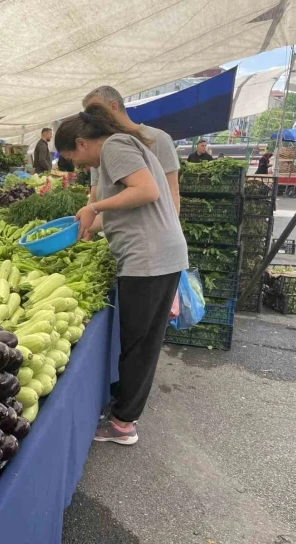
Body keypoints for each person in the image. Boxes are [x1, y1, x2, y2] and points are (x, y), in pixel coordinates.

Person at [55, 106, 188, 446]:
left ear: (82, 143)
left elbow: (146, 191)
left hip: (149, 259)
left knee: (140, 346)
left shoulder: (114, 147)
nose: (80, 167)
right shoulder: (123, 146)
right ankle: (122, 410)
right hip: (155, 257)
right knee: (138, 342)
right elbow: (126, 207)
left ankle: (123, 424)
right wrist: (83, 224)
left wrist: (95, 207)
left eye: (75, 159)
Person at [82, 86, 182, 216]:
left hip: (150, 230)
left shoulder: (157, 139)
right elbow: (94, 194)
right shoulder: (100, 145)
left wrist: (171, 229)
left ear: (113, 106)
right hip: (110, 230)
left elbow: (172, 190)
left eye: (95, 112)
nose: (92, 120)